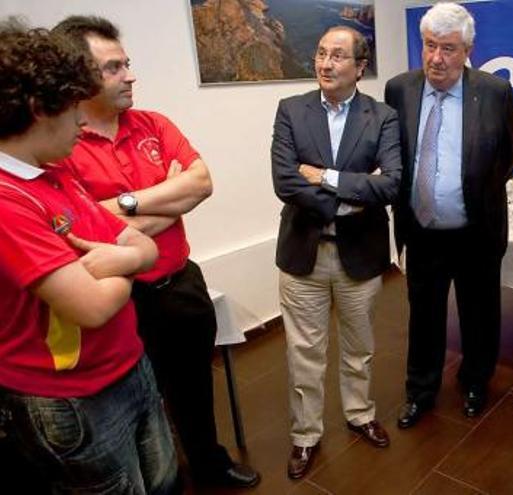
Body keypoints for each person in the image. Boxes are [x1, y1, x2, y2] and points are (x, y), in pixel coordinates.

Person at [52, 16, 260, 488]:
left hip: (180, 284)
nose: (129, 75)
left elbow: (201, 183)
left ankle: (209, 463)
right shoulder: (61, 144)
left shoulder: (153, 123)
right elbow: (82, 234)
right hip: (120, 298)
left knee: (194, 387)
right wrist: (167, 195)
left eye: (127, 63)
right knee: (138, 401)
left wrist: (122, 209)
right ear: (77, 76)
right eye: (112, 68)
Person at [0, 20, 178, 493]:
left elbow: (145, 246)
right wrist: (129, 260)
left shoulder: (55, 174)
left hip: (129, 366)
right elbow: (91, 308)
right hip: (73, 398)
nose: (82, 121)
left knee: (162, 481)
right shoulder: (7, 200)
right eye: (71, 108)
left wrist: (116, 262)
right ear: (39, 109)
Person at [384, 1, 513, 428]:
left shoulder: (494, 92)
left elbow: (510, 152)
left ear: (467, 51)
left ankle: (476, 382)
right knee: (423, 314)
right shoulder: (399, 89)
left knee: (479, 312)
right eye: (429, 46)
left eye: (447, 48)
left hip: (475, 231)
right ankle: (420, 391)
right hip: (422, 229)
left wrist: (474, 191)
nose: (436, 58)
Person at [271, 26, 401, 479]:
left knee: (358, 346)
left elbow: (390, 184)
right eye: (321, 53)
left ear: (360, 67)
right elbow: (284, 181)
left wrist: (323, 177)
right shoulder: (291, 110)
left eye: (338, 56)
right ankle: (305, 436)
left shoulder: (382, 116)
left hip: (359, 255)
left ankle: (360, 413)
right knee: (303, 352)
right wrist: (351, 199)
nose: (325, 64)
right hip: (304, 253)